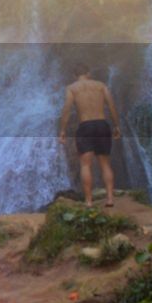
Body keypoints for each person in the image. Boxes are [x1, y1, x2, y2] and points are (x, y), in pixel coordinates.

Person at [57, 63, 121, 207]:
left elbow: (67, 109)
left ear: (75, 76)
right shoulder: (101, 85)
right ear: (89, 73)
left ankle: (88, 201)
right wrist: (117, 126)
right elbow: (111, 105)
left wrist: (62, 131)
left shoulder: (72, 88)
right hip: (102, 125)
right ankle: (110, 199)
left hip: (85, 126)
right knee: (105, 164)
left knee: (85, 165)